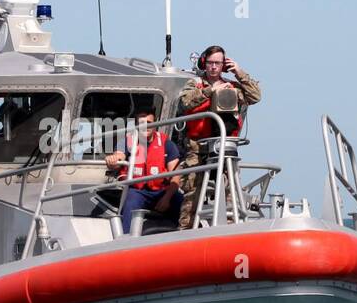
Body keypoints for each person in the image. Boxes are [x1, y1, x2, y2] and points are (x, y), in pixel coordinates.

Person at [175, 45, 261, 228]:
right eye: (210, 63)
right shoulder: (195, 84)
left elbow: (255, 96)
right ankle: (186, 233)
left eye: (218, 63)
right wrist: (210, 91)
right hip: (198, 149)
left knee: (230, 194)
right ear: (204, 64)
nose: (213, 67)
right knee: (192, 195)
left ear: (224, 65)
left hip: (224, 147)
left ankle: (229, 231)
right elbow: (185, 102)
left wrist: (238, 72)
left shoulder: (231, 87)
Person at [103, 105, 182, 233]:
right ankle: (126, 242)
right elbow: (119, 156)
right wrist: (113, 160)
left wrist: (167, 198)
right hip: (138, 192)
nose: (145, 126)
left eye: (149, 122)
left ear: (155, 124)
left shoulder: (167, 143)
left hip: (162, 191)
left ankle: (183, 237)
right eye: (141, 123)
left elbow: (176, 175)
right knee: (130, 203)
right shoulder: (128, 141)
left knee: (180, 201)